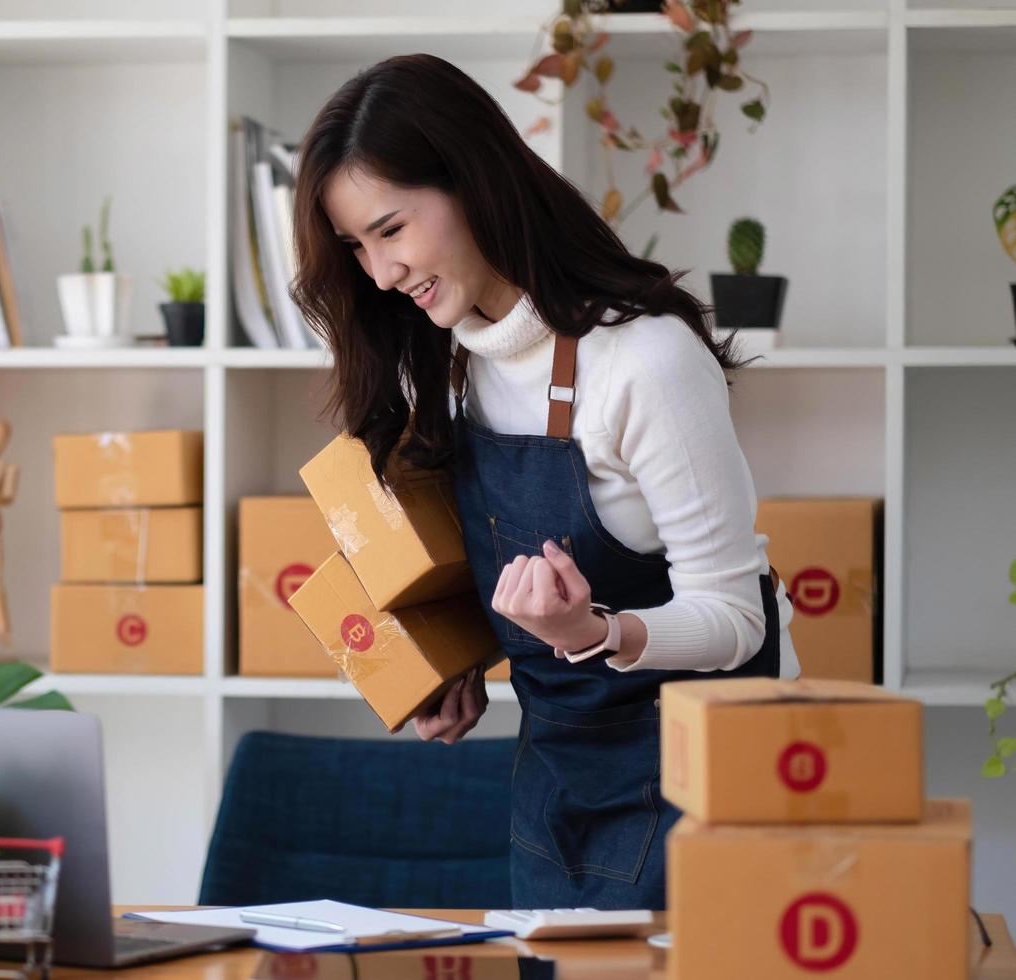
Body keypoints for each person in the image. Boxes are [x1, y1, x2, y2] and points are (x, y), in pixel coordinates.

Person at [289, 53, 799, 911]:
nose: (378, 274)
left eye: (390, 230)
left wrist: (589, 629)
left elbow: (739, 620)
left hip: (704, 784)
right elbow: (507, 564)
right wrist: (461, 654)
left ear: (472, 182)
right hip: (557, 786)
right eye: (354, 248)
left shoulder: (643, 362)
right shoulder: (454, 363)